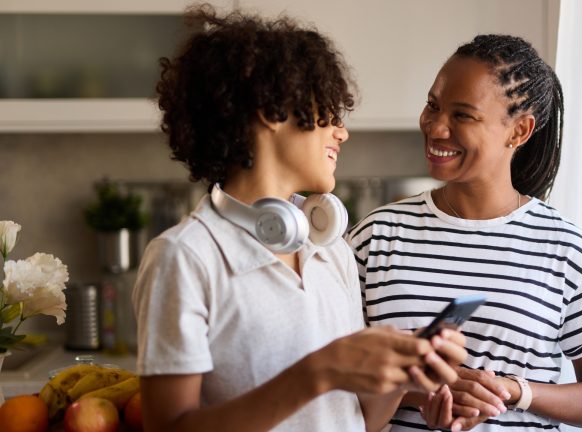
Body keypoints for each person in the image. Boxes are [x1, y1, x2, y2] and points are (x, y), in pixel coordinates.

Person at [132, 6, 467, 432]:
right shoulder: (184, 257)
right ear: (272, 111)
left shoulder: (331, 253)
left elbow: (362, 421)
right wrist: (319, 372)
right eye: (328, 112)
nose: (342, 132)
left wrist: (404, 376)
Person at [345, 34, 582, 431]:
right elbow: (332, 375)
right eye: (432, 105)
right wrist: (423, 389)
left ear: (519, 131)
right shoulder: (374, 238)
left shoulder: (569, 252)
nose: (436, 126)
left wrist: (513, 390)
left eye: (462, 115)